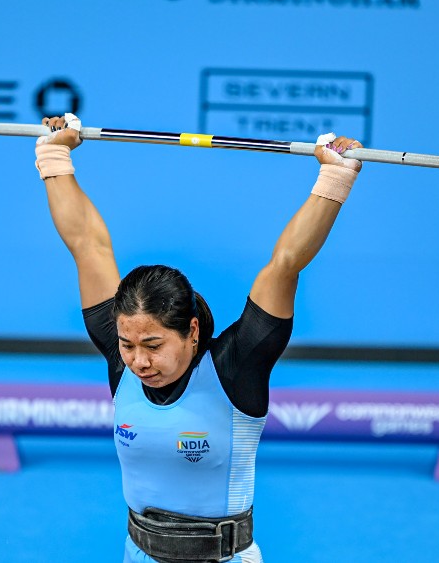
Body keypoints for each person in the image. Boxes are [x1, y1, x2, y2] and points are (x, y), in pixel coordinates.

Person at [36, 113, 362, 563]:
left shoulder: (236, 367)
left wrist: (334, 175)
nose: (137, 362)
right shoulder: (121, 353)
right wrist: (54, 154)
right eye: (128, 346)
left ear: (191, 332)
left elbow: (285, 262)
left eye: (153, 346)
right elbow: (87, 244)